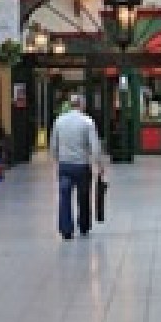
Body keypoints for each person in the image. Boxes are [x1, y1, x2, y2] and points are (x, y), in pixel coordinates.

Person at [49, 92, 104, 240]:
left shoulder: (59, 121)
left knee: (64, 196)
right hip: (82, 166)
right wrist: (99, 165)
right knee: (84, 196)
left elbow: (53, 145)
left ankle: (66, 229)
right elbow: (95, 147)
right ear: (81, 105)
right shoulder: (87, 122)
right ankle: (84, 226)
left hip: (65, 166)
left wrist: (57, 161)